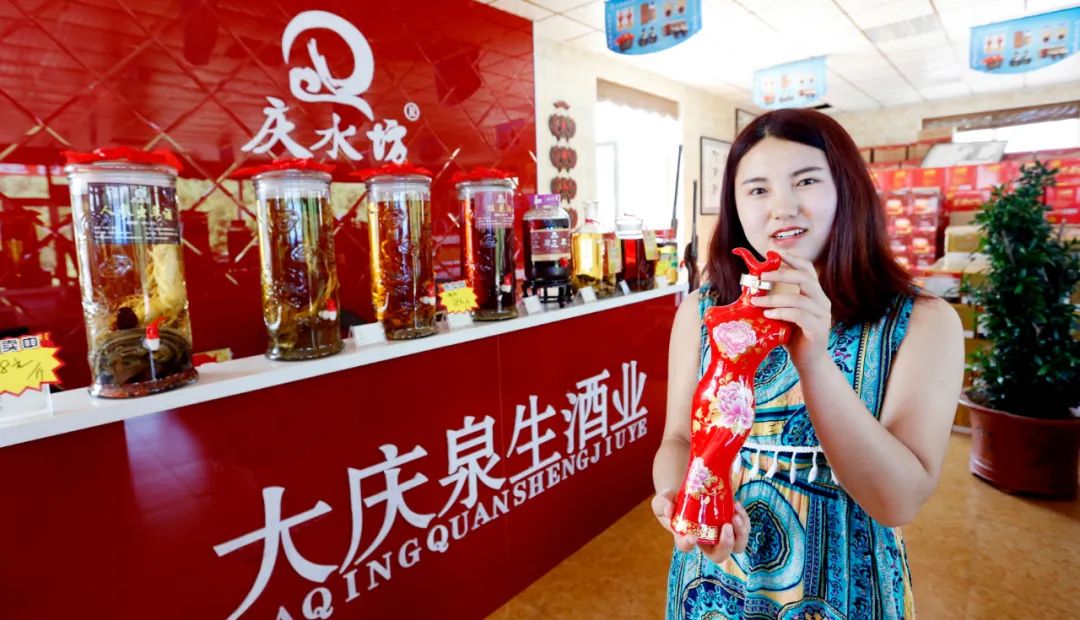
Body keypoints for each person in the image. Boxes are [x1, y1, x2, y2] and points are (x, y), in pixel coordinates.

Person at [653, 109, 963, 619]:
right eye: (758, 189)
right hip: (712, 581)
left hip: (845, 591)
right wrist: (677, 496)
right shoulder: (703, 312)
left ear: (846, 189)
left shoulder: (922, 323)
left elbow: (897, 501)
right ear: (735, 206)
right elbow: (679, 440)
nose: (783, 208)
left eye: (806, 181)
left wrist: (814, 361)